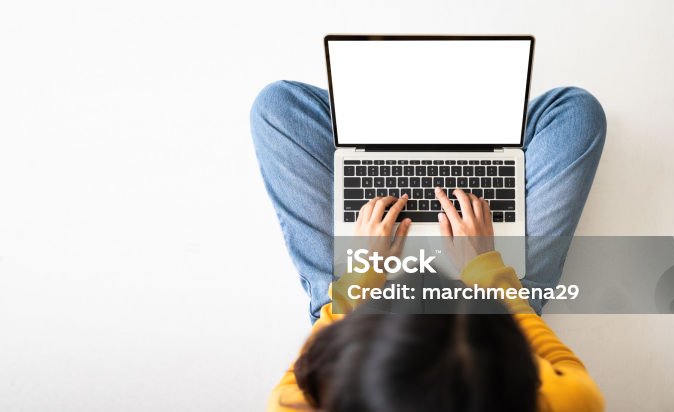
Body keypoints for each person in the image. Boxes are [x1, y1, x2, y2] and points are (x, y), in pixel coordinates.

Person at [250, 80, 607, 411]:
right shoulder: (564, 401)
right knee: (575, 111)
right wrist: (485, 267)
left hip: (360, 323)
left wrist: (363, 270)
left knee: (276, 105)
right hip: (498, 316)